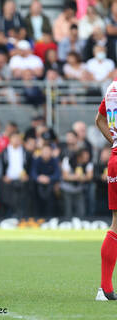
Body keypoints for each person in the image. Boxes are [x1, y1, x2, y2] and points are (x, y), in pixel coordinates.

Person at [95, 77, 117, 300]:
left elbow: (99, 120)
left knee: (116, 224)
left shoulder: (112, 88)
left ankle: (105, 288)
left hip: (115, 160)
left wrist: (115, 141)